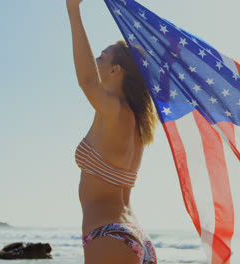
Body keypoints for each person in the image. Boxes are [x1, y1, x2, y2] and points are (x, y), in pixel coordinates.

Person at [66, 0, 158, 263]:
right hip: (136, 236)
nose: (95, 60)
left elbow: (86, 82)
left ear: (116, 70)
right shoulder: (140, 122)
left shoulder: (114, 111)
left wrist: (73, 10)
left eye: (101, 56)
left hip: (109, 234)